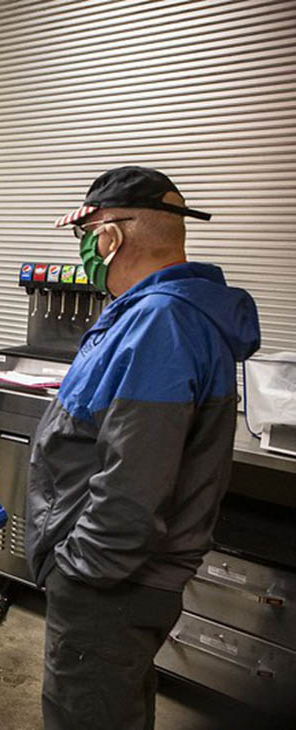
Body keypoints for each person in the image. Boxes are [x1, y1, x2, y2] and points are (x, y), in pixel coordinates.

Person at [26, 166, 260, 730]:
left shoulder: (161, 323)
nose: (83, 250)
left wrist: (77, 572)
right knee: (117, 703)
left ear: (111, 237)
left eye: (86, 236)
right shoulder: (157, 313)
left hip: (109, 586)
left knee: (86, 714)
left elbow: (132, 486)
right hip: (116, 582)